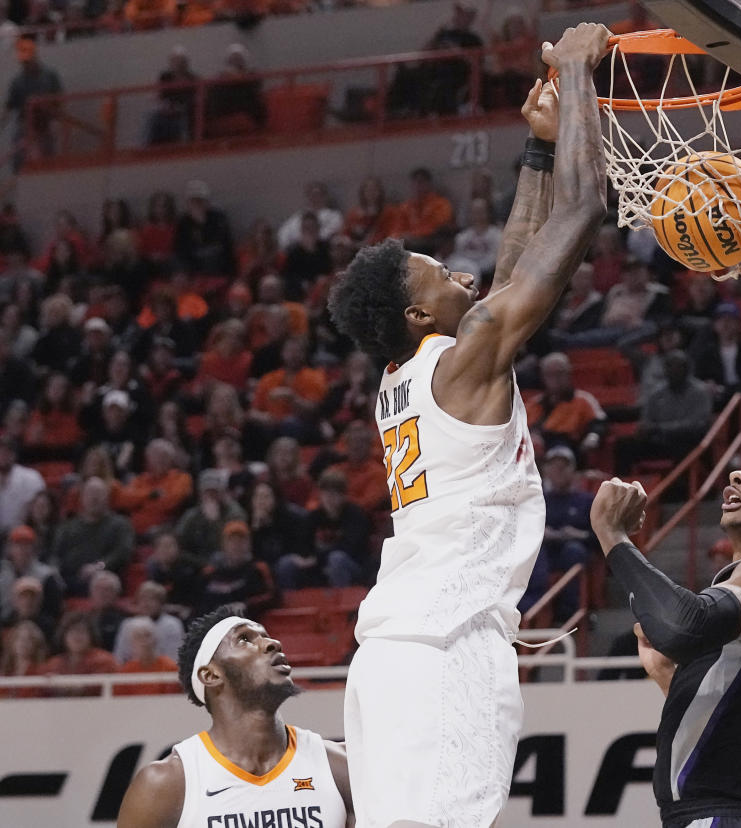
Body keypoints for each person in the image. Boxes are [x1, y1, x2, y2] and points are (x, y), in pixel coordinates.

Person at [325, 26, 610, 828]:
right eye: (440, 273)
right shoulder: (460, 361)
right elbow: (584, 212)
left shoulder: (410, 376)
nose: (462, 272)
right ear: (417, 313)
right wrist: (580, 74)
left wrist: (539, 148)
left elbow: (513, 274)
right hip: (444, 648)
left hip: (393, 653)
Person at [590, 446, 741, 828]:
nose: (738, 476)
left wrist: (612, 533)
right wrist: (673, 678)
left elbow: (683, 626)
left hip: (720, 815)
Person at [115, 606, 351, 827]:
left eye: (266, 636)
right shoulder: (165, 785)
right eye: (245, 639)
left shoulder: (339, 765)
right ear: (210, 675)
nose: (272, 643)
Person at [520, 445, 594, 618]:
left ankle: (570, 612)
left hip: (575, 551)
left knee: (573, 551)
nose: (558, 471)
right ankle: (530, 608)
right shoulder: (538, 501)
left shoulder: (587, 500)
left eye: (563, 467)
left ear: (573, 470)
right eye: (553, 467)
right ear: (546, 471)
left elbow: (600, 536)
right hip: (546, 551)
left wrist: (579, 534)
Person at [53, 476, 135, 595]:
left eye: (98, 494)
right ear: (82, 498)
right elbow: (55, 555)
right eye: (90, 493)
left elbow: (122, 553)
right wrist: (54, 572)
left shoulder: (120, 525)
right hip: (69, 579)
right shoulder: (67, 527)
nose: (94, 498)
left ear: (107, 498)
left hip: (104, 578)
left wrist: (98, 567)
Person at [525, 351, 607, 458]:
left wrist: (593, 437)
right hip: (534, 449)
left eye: (559, 373)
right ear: (543, 377)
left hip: (567, 447)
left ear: (569, 374)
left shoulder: (583, 400)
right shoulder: (534, 403)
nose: (555, 379)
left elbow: (599, 423)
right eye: (550, 374)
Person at [2, 37, 62, 170]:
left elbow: (59, 97)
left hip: (46, 121)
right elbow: (10, 106)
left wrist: (55, 112)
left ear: (35, 56)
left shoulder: (49, 75)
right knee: (19, 151)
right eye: (24, 62)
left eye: (28, 61)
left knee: (48, 154)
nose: (26, 64)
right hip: (26, 123)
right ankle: (20, 172)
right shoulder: (17, 82)